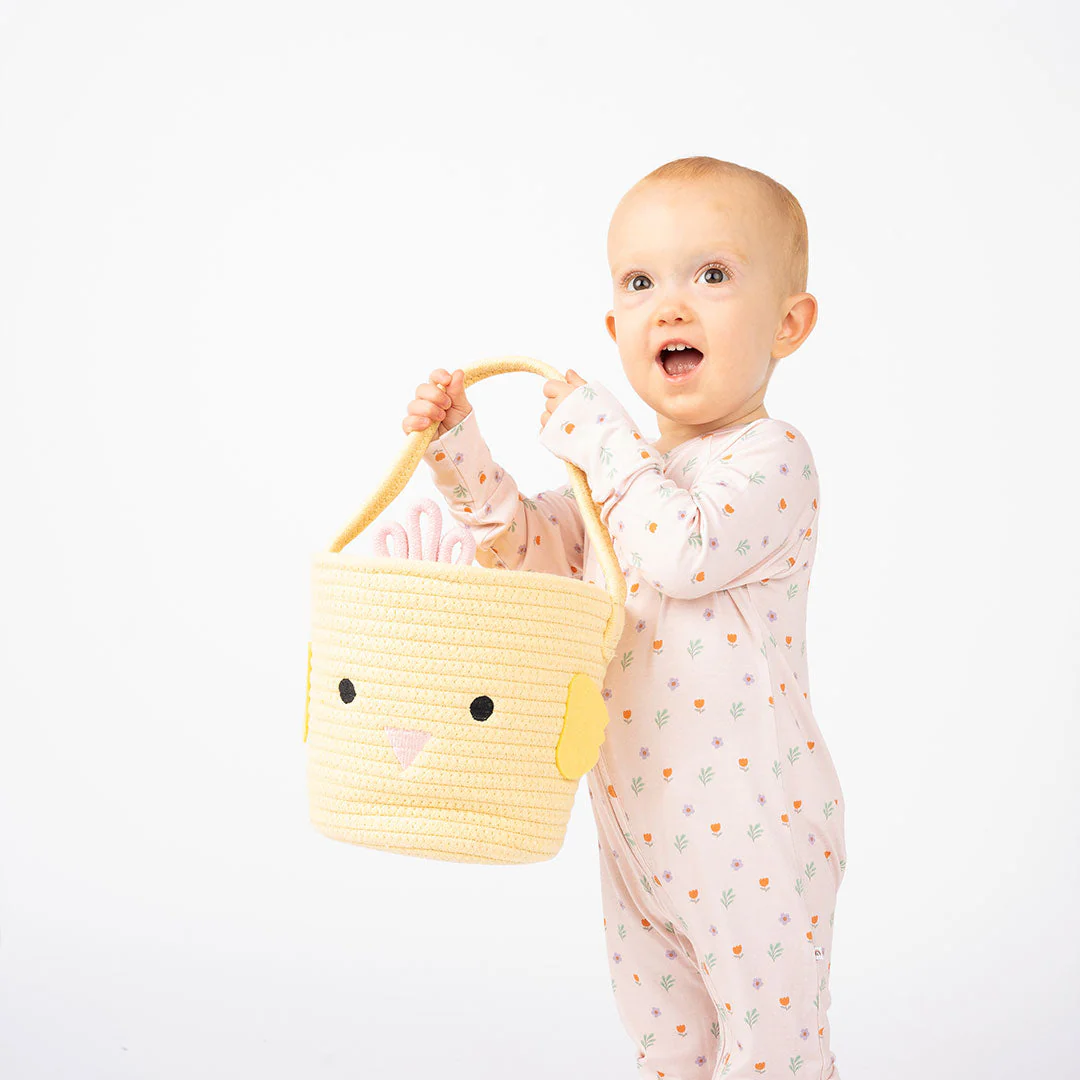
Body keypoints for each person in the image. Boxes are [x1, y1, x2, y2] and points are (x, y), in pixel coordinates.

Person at [404, 155, 847, 1080]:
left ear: (789, 324)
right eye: (641, 283)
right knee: (668, 1048)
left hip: (754, 827)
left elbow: (679, 551)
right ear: (615, 327)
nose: (671, 307)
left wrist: (600, 438)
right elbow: (532, 550)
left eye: (712, 276)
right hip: (639, 831)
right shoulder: (625, 475)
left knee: (772, 1057)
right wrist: (456, 446)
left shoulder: (773, 459)